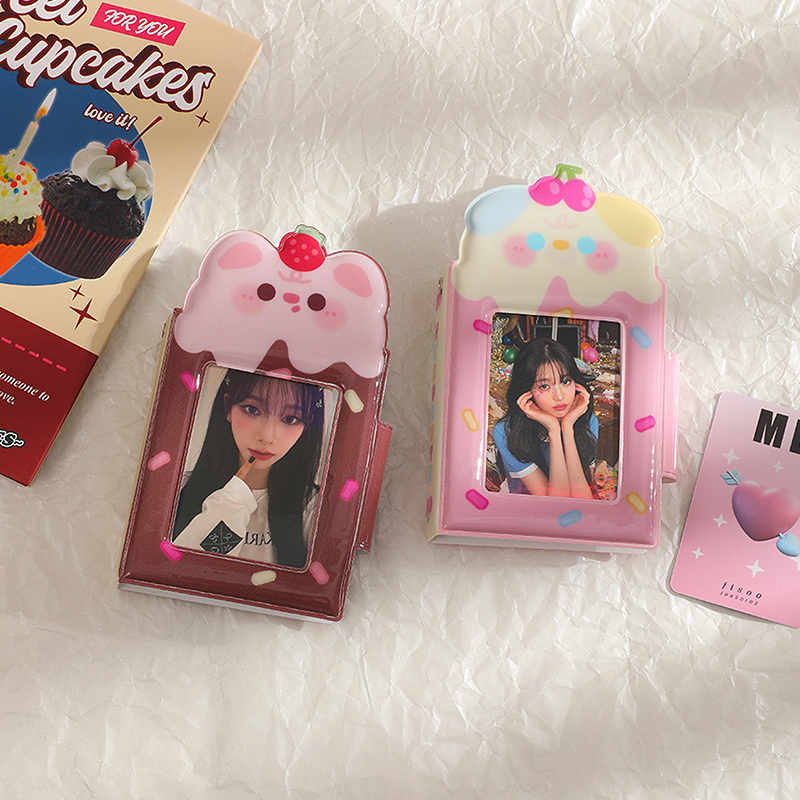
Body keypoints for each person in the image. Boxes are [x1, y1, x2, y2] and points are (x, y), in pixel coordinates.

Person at [172, 369, 324, 567]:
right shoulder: (177, 490)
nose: (267, 437)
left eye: (290, 419)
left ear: (307, 424)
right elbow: (188, 571)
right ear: (228, 407)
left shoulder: (314, 509)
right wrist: (230, 505)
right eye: (252, 410)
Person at [492, 338, 598, 499]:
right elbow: (555, 502)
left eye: (566, 381)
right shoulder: (506, 431)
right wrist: (553, 430)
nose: (559, 396)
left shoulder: (587, 421)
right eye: (544, 386)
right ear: (526, 391)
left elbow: (583, 500)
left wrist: (567, 428)